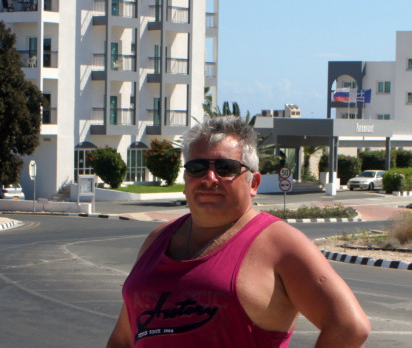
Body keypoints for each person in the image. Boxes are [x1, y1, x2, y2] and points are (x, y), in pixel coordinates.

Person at [106, 116, 370, 347]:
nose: (210, 178)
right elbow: (123, 339)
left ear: (253, 183)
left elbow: (350, 327)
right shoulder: (157, 240)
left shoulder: (281, 244)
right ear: (186, 179)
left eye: (226, 168)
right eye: (197, 168)